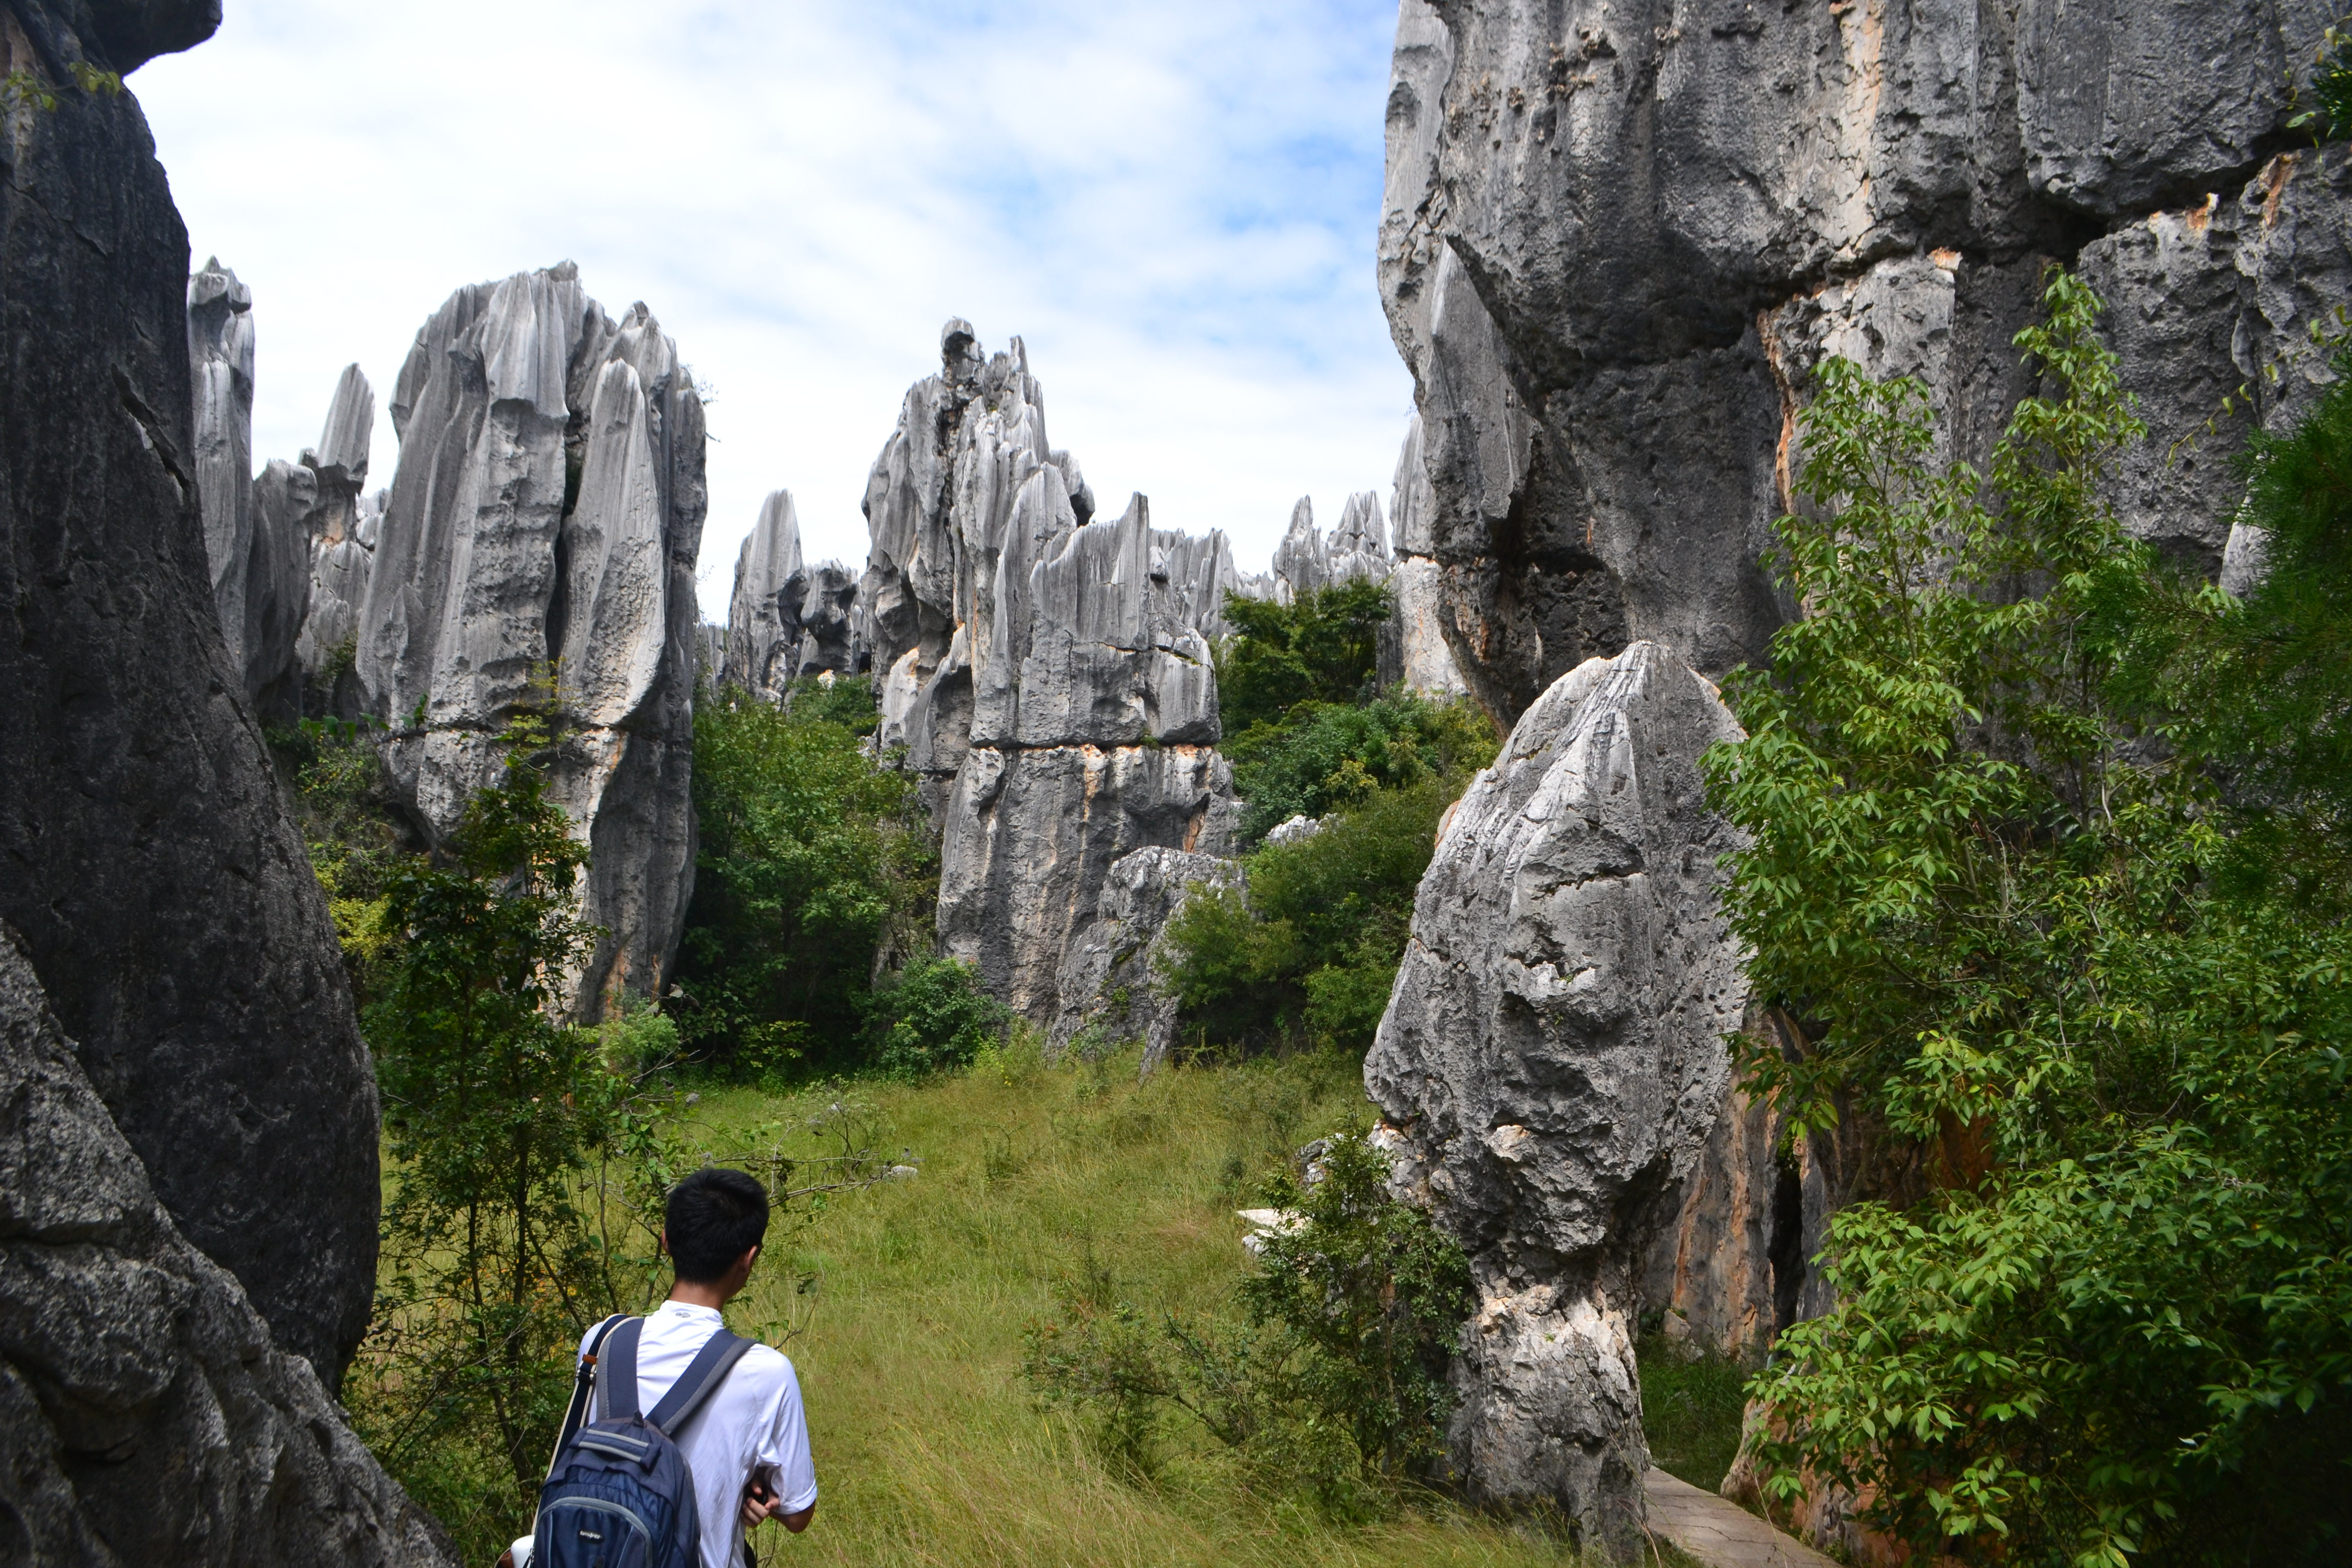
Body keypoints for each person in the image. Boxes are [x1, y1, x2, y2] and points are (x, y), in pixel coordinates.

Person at [504, 1167, 817, 1568]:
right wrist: (749, 1493)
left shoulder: (603, 1340)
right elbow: (797, 1514)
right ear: (748, 1259)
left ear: (666, 1241)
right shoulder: (766, 1373)